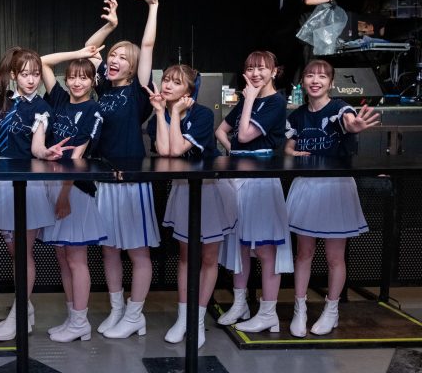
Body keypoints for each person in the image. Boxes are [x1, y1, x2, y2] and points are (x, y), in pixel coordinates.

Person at [85, 0, 160, 339]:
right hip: (104, 180)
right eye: (112, 55)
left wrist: (153, 7)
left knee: (137, 251)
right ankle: (116, 310)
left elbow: (147, 44)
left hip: (132, 182)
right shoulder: (103, 89)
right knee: (109, 250)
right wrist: (110, 26)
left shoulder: (137, 92)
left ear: (132, 68)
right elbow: (89, 48)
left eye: (121, 57)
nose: (114, 60)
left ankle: (135, 314)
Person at [0, 47, 70, 341]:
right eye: (25, 74)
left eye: (35, 74)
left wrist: (46, 153)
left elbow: (37, 146)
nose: (31, 80)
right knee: (13, 251)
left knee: (22, 252)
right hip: (2, 178)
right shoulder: (2, 100)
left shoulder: (41, 107)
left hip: (27, 181)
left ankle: (19, 312)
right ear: (14, 75)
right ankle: (26, 307)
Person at [285, 59, 379, 337]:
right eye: (310, 76)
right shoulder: (297, 115)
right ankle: (299, 309)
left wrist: (355, 126)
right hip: (306, 187)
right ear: (302, 82)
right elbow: (288, 146)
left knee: (335, 256)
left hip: (336, 186)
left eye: (322, 76)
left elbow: (349, 122)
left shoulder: (340, 108)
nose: (315, 80)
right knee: (303, 253)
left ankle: (332, 310)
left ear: (331, 83)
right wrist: (292, 153)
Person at [145, 65, 237, 348]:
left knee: (208, 257)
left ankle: (197, 320)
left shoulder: (202, 114)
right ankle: (183, 318)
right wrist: (161, 112)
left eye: (177, 82)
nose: (168, 85)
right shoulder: (158, 115)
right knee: (185, 257)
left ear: (189, 89)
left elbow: (177, 150)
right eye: (166, 80)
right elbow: (165, 152)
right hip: (183, 189)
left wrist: (173, 114)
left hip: (209, 188)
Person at [215, 51, 291, 333]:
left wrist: (248, 99)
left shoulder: (276, 101)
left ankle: (268, 312)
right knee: (240, 246)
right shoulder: (251, 100)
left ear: (274, 71)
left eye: (261, 68)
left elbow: (245, 135)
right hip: (238, 177)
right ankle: (240, 304)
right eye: (250, 68)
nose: (255, 73)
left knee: (265, 248)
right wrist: (235, 152)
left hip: (261, 180)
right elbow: (221, 131)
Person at [39, 48, 107, 343]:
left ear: (93, 81)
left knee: (76, 258)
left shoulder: (94, 110)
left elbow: (77, 158)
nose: (77, 83)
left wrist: (64, 195)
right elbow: (43, 62)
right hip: (52, 185)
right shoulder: (58, 100)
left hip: (75, 189)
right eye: (72, 77)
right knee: (63, 256)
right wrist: (80, 53)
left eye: (84, 77)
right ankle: (72, 318)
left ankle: (80, 321)